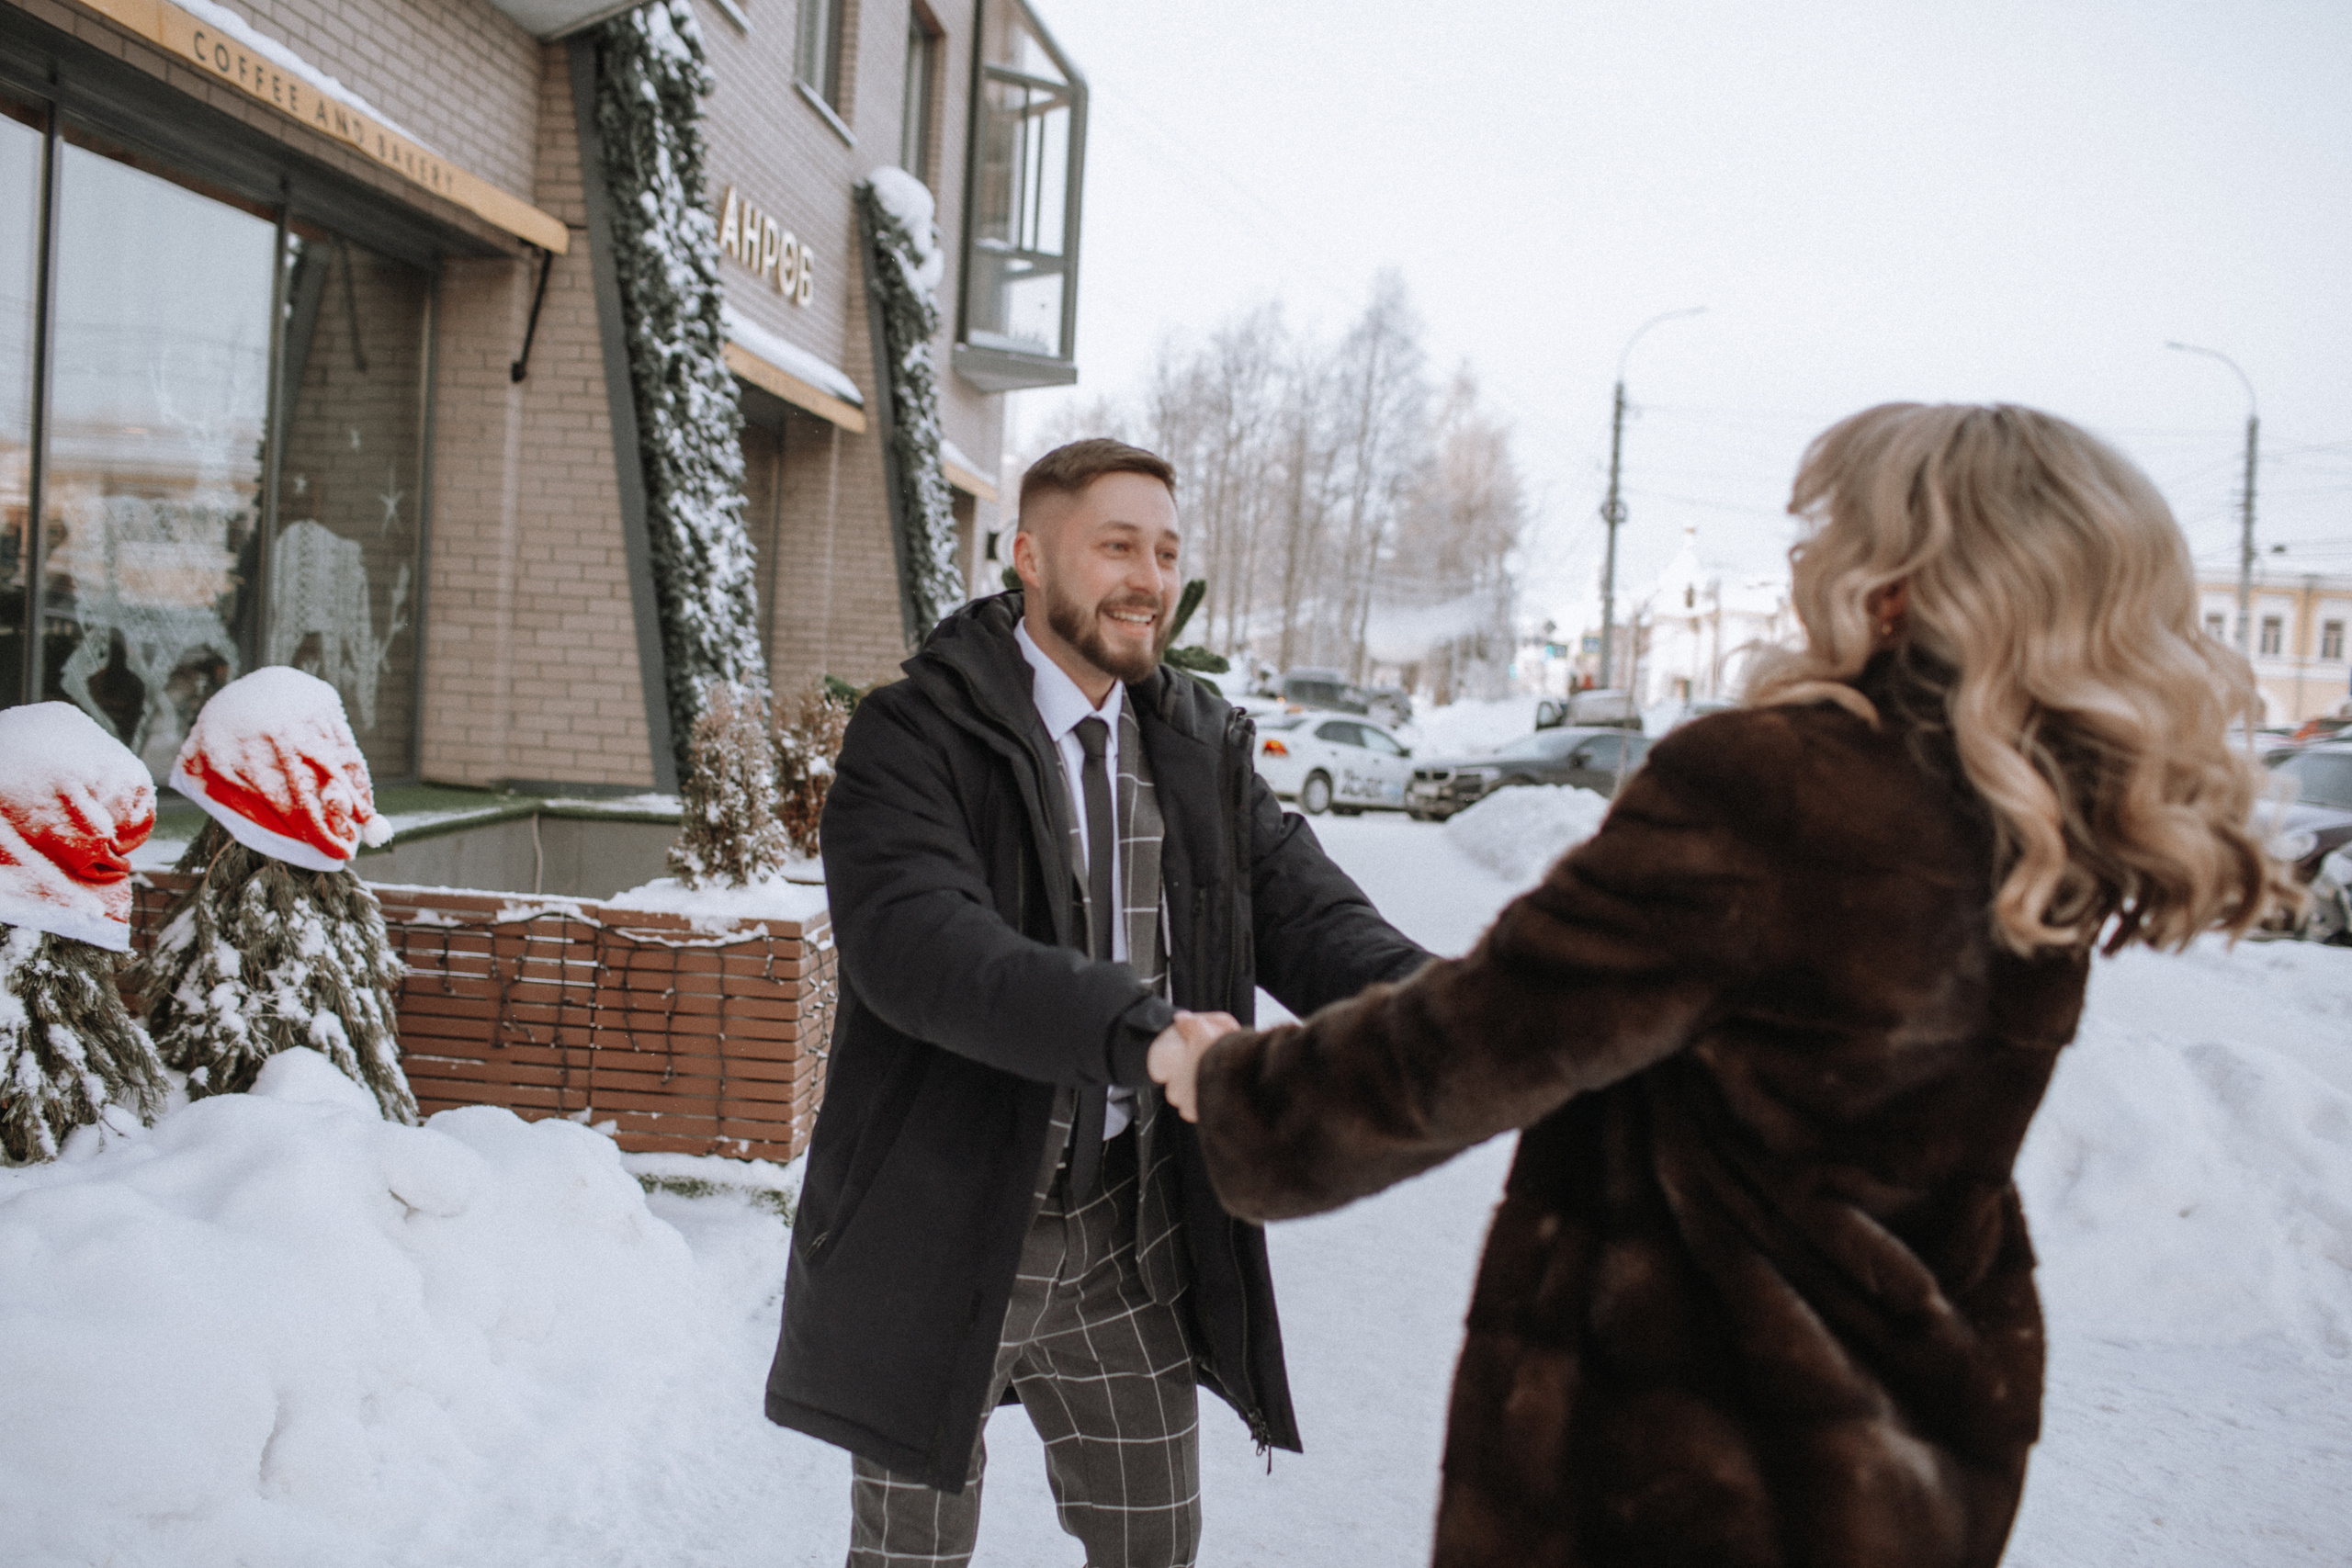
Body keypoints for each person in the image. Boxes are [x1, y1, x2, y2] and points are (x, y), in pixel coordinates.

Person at [1149, 403, 2296, 1568]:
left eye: (1836, 527)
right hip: (1907, 1450)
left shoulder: (1777, 787)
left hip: (1686, 1467)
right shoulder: (2040, 820)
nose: (1803, 557)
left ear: (1900, 581)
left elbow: (1466, 1049)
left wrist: (1228, 1080)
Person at [764, 438, 1429, 1568]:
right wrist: (1143, 1032)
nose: (1148, 578)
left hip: (1131, 1227)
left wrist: (1474, 1017)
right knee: (910, 1556)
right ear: (1028, 555)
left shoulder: (1196, 747)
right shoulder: (914, 736)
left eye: (1165, 551)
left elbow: (1311, 916)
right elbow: (926, 950)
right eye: (1115, 545)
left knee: (1153, 1549)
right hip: (956, 1214)